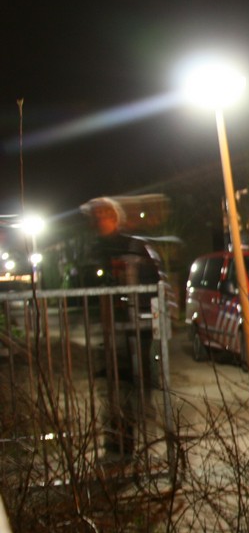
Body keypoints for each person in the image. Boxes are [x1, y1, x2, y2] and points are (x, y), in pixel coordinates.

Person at [80, 197, 163, 459]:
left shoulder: (133, 245)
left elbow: (153, 282)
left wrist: (148, 315)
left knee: (131, 384)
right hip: (105, 328)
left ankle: (134, 441)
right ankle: (114, 441)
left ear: (115, 217)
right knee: (109, 386)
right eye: (96, 215)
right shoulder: (92, 250)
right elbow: (84, 285)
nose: (100, 219)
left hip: (133, 328)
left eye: (105, 214)